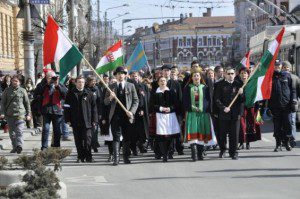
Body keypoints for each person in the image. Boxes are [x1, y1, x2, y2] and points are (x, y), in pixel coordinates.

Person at [104, 66, 139, 165]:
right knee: (116, 137)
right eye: (118, 74)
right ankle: (116, 158)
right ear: (116, 75)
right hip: (115, 116)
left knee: (127, 137)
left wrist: (131, 112)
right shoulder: (111, 87)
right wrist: (110, 98)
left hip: (127, 115)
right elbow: (105, 102)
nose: (120, 76)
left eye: (122, 73)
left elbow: (136, 100)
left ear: (125, 75)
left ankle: (126, 157)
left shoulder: (130, 86)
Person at [183, 68, 216, 161]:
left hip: (203, 113)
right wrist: (192, 108)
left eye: (198, 75)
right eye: (194, 76)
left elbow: (208, 100)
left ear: (200, 77)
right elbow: (185, 101)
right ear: (192, 78)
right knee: (193, 134)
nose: (196, 77)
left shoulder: (205, 88)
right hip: (192, 113)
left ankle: (200, 154)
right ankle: (194, 154)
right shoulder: (187, 88)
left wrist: (203, 108)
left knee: (202, 133)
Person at [214, 67, 244, 160]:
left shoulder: (239, 85)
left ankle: (234, 152)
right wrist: (223, 108)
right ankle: (223, 150)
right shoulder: (219, 85)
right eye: (228, 74)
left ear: (234, 75)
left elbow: (243, 100)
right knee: (222, 134)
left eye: (232, 74)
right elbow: (217, 99)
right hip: (224, 114)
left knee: (234, 135)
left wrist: (242, 93)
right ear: (225, 75)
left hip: (235, 114)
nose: (230, 75)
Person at [34, 71, 68, 150]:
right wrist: (46, 85)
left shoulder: (60, 85)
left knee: (57, 130)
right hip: (46, 110)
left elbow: (65, 95)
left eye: (53, 78)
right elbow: (35, 94)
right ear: (46, 78)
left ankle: (56, 147)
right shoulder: (42, 85)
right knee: (45, 129)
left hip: (57, 110)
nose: (52, 79)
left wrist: (57, 86)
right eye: (50, 78)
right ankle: (44, 147)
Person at [269, 61, 297, 152]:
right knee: (277, 126)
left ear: (282, 66)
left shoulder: (287, 76)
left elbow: (293, 90)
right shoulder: (270, 77)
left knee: (288, 125)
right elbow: (266, 93)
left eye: (279, 65)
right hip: (275, 106)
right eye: (275, 65)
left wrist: (293, 101)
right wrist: (266, 106)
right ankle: (277, 144)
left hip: (286, 106)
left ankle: (287, 143)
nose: (277, 67)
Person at [152, 76, 181, 162]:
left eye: (164, 81)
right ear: (158, 83)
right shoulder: (155, 92)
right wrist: (161, 108)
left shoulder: (171, 92)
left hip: (170, 116)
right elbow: (151, 105)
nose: (163, 82)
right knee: (161, 136)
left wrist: (170, 108)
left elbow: (176, 104)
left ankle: (168, 152)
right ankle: (164, 154)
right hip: (159, 116)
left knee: (170, 136)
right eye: (161, 81)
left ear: (166, 82)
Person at [0, 76, 31, 153]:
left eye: (16, 81)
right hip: (9, 115)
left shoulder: (23, 91)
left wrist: (28, 114)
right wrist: (2, 113)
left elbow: (27, 103)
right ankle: (15, 147)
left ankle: (19, 145)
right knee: (12, 133)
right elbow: (3, 103)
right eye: (13, 81)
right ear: (11, 82)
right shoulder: (7, 90)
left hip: (20, 114)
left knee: (19, 131)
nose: (14, 82)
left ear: (19, 82)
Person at [237, 67, 261, 150]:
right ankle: (241, 142)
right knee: (241, 125)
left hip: (251, 106)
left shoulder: (252, 83)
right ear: (239, 75)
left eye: (245, 73)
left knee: (250, 124)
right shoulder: (237, 84)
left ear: (248, 74)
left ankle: (248, 142)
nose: (244, 75)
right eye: (242, 73)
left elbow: (256, 95)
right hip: (241, 107)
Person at [129, 71, 150, 155]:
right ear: (130, 77)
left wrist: (143, 109)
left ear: (139, 77)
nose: (135, 77)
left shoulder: (144, 86)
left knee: (143, 131)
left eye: (136, 76)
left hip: (142, 113)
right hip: (132, 112)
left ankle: (142, 146)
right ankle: (134, 148)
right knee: (133, 132)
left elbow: (146, 99)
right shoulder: (129, 86)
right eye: (133, 76)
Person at [281, 61, 300, 147]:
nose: (286, 69)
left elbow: (298, 90)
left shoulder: (295, 78)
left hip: (293, 103)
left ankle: (292, 139)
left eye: (287, 67)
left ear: (290, 68)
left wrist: (296, 100)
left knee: (292, 121)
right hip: (284, 103)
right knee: (286, 122)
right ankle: (286, 139)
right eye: (284, 67)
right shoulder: (280, 77)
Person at [85, 75, 101, 152]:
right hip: (87, 112)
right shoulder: (85, 89)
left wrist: (100, 113)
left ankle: (94, 144)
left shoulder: (97, 89)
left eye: (94, 81)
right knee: (88, 131)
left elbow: (99, 101)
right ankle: (89, 145)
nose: (94, 82)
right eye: (92, 81)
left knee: (95, 130)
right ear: (88, 82)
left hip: (95, 112)